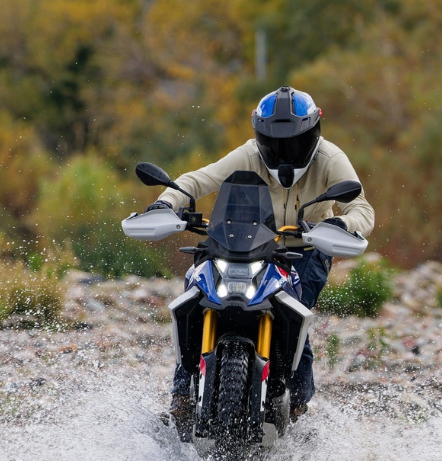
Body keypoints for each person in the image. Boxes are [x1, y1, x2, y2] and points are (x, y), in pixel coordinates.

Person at [146, 86, 375, 425]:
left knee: (293, 308)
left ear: (313, 133)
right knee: (197, 288)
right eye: (275, 141)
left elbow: (362, 208)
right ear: (260, 135)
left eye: (294, 141)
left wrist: (340, 223)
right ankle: (181, 394)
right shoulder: (250, 154)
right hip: (245, 243)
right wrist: (167, 203)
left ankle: (296, 402)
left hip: (307, 248)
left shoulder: (330, 158)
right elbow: (197, 180)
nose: (284, 150)